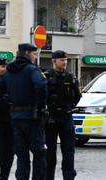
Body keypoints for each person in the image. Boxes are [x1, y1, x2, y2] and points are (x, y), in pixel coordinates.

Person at [0, 43, 47, 180]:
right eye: (33, 54)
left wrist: (9, 103)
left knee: (22, 156)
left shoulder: (8, 72)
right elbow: (40, 86)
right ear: (26, 53)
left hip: (15, 119)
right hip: (33, 118)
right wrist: (41, 105)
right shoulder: (32, 69)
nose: (35, 57)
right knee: (39, 154)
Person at [44, 50, 82, 180]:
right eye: (61, 60)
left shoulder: (70, 77)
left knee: (68, 150)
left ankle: (68, 177)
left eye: (65, 60)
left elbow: (77, 96)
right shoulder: (46, 76)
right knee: (49, 151)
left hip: (66, 116)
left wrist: (69, 107)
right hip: (51, 117)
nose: (64, 62)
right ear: (54, 61)